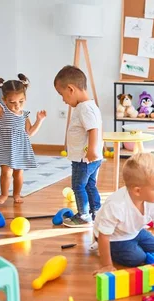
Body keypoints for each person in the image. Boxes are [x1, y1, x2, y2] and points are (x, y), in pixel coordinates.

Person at [92, 153, 154, 275]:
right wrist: (107, 265)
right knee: (137, 258)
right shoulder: (116, 205)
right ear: (137, 191)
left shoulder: (151, 201)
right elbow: (103, 235)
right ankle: (114, 252)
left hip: (133, 231)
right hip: (114, 238)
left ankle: (132, 247)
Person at [0, 74, 46, 204]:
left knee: (18, 172)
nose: (17, 105)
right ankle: (4, 195)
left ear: (25, 98)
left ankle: (17, 195)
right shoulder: (1, 109)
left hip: (20, 147)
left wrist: (39, 120)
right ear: (4, 100)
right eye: (12, 102)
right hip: (4, 146)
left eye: (21, 101)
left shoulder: (24, 115)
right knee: (6, 172)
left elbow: (30, 133)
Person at [54, 65, 103, 227]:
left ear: (70, 89)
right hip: (90, 158)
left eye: (62, 95)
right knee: (89, 185)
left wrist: (92, 150)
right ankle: (97, 212)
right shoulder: (89, 105)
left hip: (84, 159)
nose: (63, 100)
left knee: (78, 185)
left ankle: (83, 215)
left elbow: (93, 129)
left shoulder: (84, 108)